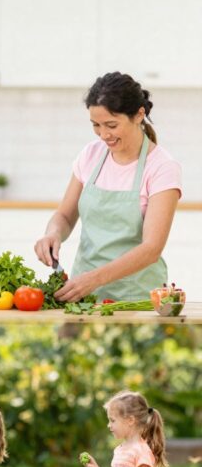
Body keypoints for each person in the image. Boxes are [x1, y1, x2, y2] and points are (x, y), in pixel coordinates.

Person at [34, 72, 181, 302]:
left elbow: (152, 248)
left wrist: (94, 279)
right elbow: (64, 215)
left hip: (137, 300)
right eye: (96, 125)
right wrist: (52, 234)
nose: (103, 135)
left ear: (139, 115)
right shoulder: (90, 155)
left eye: (111, 125)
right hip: (83, 296)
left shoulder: (162, 167)